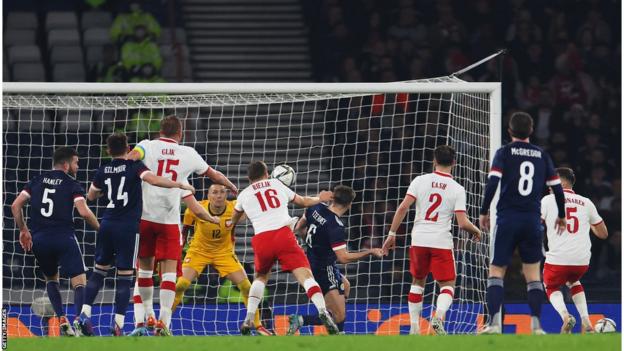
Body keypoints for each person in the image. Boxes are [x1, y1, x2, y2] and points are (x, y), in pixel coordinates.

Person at [74, 133, 195, 336]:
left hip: (107, 224)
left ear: (108, 151)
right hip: (128, 228)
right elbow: (154, 180)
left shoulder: (103, 169)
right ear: (128, 148)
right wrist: (178, 184)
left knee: (98, 272)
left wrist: (105, 191)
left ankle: (84, 315)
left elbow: (91, 195)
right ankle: (118, 324)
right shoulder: (134, 166)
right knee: (124, 277)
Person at [126, 115, 237, 336]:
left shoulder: (147, 145)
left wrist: (141, 169)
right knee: (168, 275)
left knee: (144, 272)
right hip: (168, 224)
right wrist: (230, 185)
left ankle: (143, 318)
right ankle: (163, 322)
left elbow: (131, 157)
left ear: (160, 131)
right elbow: (212, 175)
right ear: (181, 133)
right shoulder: (188, 154)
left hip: (145, 219)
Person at [479, 112, 566, 334]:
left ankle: (496, 324)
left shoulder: (504, 152)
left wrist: (483, 211)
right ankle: (537, 326)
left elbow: (493, 182)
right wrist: (561, 215)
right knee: (533, 274)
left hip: (507, 218)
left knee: (497, 270)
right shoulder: (541, 155)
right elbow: (557, 187)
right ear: (531, 130)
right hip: (531, 221)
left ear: (509, 131)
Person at [230, 161, 338, 335]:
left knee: (260, 277)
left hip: (262, 238)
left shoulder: (244, 194)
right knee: (305, 276)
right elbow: (302, 201)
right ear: (267, 173)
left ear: (249, 178)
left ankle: (249, 317)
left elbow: (233, 219)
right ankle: (322, 311)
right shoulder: (276, 184)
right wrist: (320, 198)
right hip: (283, 234)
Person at [382, 145, 481, 335]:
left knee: (417, 281)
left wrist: (392, 234)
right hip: (441, 241)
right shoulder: (457, 189)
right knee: (447, 284)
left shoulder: (420, 181)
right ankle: (438, 317)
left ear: (434, 161)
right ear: (454, 163)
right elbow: (462, 222)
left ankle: (414, 328)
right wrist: (476, 230)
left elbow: (403, 208)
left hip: (419, 239)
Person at [10, 147, 100, 336]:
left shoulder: (36, 180)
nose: (78, 166)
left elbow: (15, 205)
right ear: (66, 164)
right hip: (64, 237)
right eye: (76, 162)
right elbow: (83, 212)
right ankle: (79, 323)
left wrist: (23, 230)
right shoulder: (71, 184)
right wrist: (101, 229)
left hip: (40, 240)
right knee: (79, 281)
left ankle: (61, 319)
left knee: (51, 278)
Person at [172, 183, 273, 335]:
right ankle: (163, 324)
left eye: (222, 192)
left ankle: (257, 325)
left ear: (226, 195)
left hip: (224, 253)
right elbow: (184, 232)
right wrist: (179, 253)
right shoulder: (195, 208)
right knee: (181, 285)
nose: (218, 195)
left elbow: (254, 211)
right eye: (215, 192)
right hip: (199, 251)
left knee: (246, 286)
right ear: (208, 195)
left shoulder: (234, 208)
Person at [288, 185, 384, 335]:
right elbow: (343, 258)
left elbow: (299, 229)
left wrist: (312, 242)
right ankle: (333, 339)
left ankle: (302, 320)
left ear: (333, 197)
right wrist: (370, 252)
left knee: (346, 286)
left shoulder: (315, 208)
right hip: (325, 269)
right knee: (340, 316)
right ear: (349, 204)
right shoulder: (335, 226)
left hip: (310, 261)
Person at [541, 167, 608, 333]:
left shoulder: (548, 200)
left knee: (551, 286)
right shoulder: (586, 202)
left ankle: (565, 316)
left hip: (558, 259)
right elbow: (603, 234)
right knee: (573, 281)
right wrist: (590, 224)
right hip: (581, 262)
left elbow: (535, 224)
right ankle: (586, 321)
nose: (549, 185)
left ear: (561, 182)